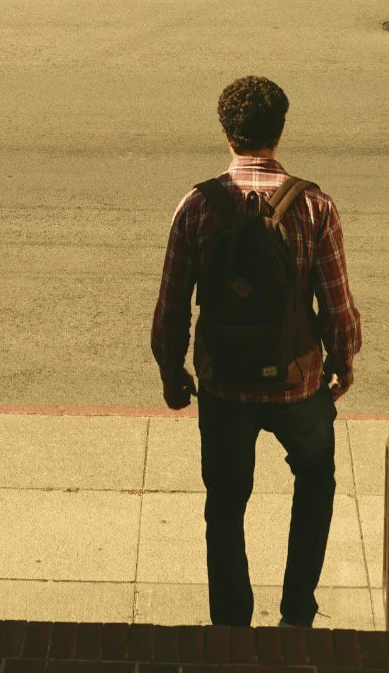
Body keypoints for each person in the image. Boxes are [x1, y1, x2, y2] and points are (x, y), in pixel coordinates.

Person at [150, 75, 361, 629]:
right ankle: (296, 613)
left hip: (224, 385)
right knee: (315, 482)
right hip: (298, 384)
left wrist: (174, 377)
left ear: (226, 132)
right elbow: (338, 307)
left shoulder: (197, 206)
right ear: (281, 129)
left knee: (225, 502)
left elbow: (171, 307)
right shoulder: (314, 206)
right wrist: (342, 365)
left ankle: (231, 625)